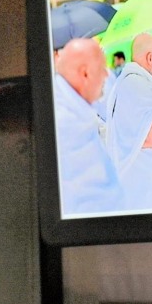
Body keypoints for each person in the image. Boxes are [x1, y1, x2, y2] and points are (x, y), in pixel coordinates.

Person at [105, 33, 152, 210]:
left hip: (142, 189)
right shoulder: (135, 83)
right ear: (149, 57)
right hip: (142, 192)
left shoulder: (130, 82)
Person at [54, 38, 123, 214]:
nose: (107, 74)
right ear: (85, 74)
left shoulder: (74, 109)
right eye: (102, 68)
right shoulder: (65, 123)